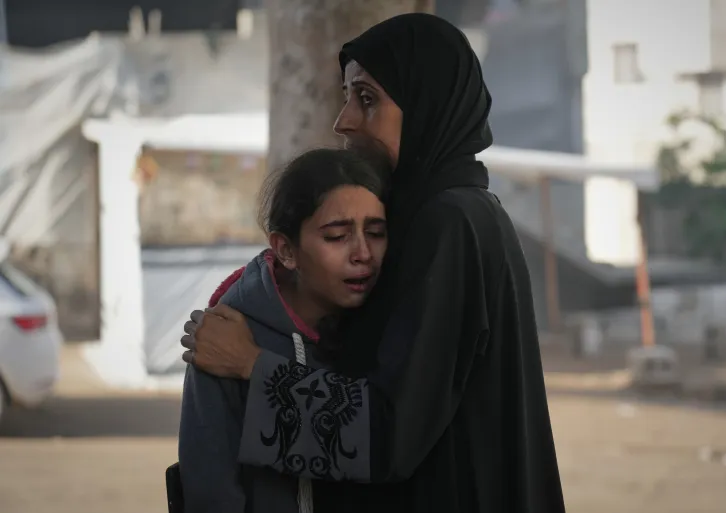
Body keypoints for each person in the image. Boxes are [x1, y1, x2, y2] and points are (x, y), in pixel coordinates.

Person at [182, 13, 565, 513]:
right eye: (347, 97)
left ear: (425, 104)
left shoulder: (449, 222)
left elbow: (390, 435)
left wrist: (251, 365)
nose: (343, 120)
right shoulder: (456, 212)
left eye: (366, 99)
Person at [177, 148, 389, 513]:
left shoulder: (387, 321)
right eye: (337, 236)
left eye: (376, 233)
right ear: (286, 250)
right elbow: (211, 491)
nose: (363, 253)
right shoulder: (225, 339)